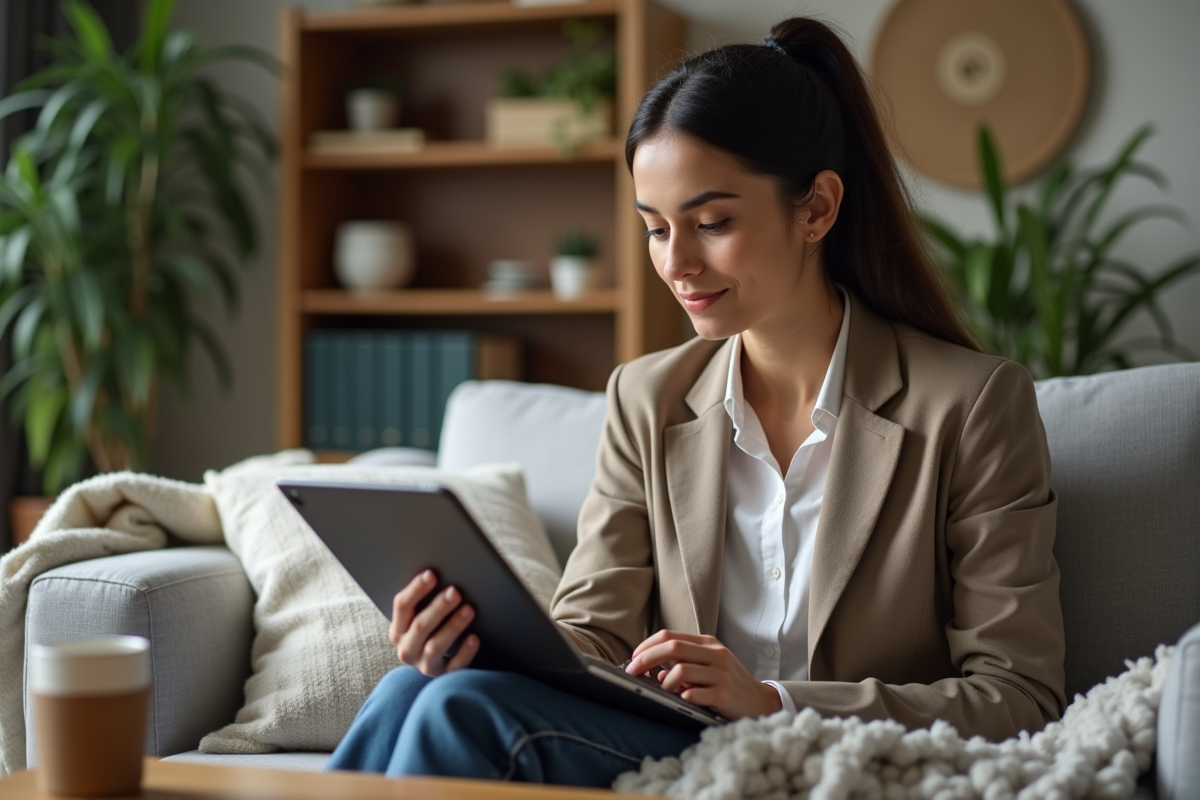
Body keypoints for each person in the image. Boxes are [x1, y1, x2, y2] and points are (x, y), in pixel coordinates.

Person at [326, 16, 1066, 787]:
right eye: (654, 229)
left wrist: (772, 701)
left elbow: (1019, 696)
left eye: (712, 223)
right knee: (412, 687)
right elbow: (594, 633)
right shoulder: (647, 399)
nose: (676, 263)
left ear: (816, 208)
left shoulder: (973, 404)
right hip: (667, 735)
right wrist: (475, 645)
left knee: (457, 713)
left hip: (824, 758)